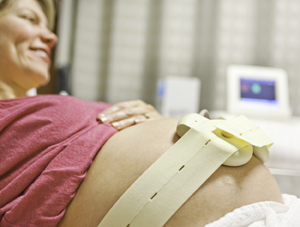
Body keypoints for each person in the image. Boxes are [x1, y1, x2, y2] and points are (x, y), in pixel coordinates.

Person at [0, 1, 299, 227]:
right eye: (29, 18)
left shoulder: (53, 103)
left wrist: (151, 125)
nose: (50, 36)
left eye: (48, 25)